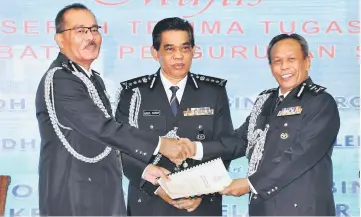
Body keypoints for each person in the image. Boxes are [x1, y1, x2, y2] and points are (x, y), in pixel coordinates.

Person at [35, 4, 189, 216]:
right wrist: (161, 144)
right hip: (74, 198)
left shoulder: (92, 79)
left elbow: (106, 142)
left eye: (94, 30)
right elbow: (102, 128)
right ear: (60, 39)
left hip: (102, 194)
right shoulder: (61, 78)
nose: (90, 37)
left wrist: (144, 170)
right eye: (80, 31)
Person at [181, 33, 340, 216]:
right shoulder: (265, 101)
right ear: (270, 66)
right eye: (277, 61)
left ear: (307, 60)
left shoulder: (320, 102)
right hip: (263, 209)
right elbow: (240, 141)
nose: (284, 67)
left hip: (302, 209)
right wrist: (195, 148)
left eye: (291, 59)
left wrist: (251, 183)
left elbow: (299, 156)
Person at [115, 17, 234, 216]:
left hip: (201, 206)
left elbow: (226, 146)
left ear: (193, 51)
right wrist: (157, 188)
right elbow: (122, 150)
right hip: (149, 204)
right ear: (155, 53)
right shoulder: (134, 93)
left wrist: (203, 191)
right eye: (169, 49)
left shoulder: (214, 92)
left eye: (185, 48)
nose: (178, 56)